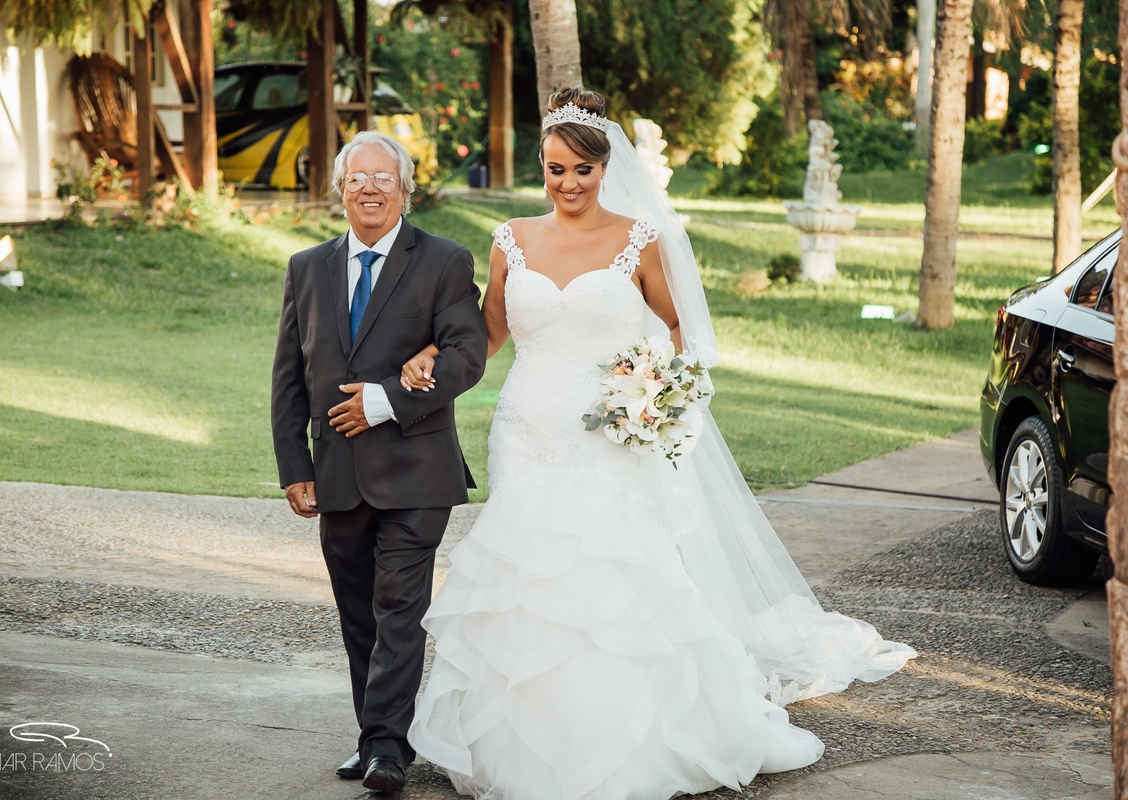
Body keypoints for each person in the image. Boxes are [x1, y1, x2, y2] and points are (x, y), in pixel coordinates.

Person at [402, 89, 916, 800]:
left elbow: (686, 334)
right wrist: (431, 354)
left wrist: (656, 394)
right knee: (525, 575)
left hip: (611, 433)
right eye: (555, 170)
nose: (567, 184)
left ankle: (630, 742)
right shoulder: (510, 240)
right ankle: (517, 742)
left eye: (581, 170)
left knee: (615, 577)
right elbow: (487, 337)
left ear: (604, 167)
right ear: (541, 167)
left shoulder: (639, 239)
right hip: (525, 429)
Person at [270, 131, 487, 793]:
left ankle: (388, 750)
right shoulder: (306, 267)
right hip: (335, 475)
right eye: (356, 178)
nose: (369, 188)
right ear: (341, 189)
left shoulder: (444, 261)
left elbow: (464, 356)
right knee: (358, 613)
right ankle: (374, 736)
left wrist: (386, 402)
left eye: (381, 178)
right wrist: (293, 465)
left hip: (418, 471)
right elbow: (289, 377)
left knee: (398, 608)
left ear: (405, 189)